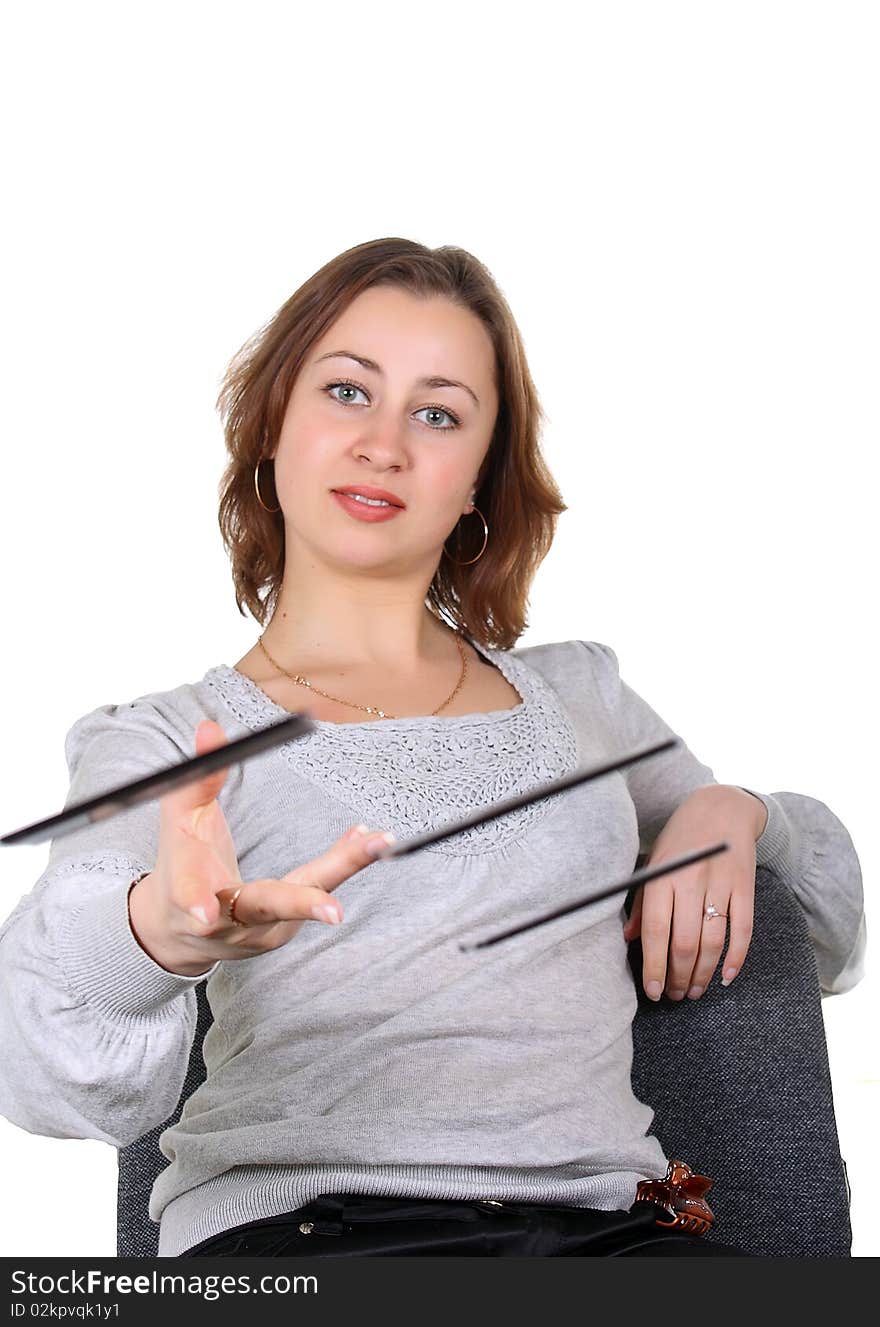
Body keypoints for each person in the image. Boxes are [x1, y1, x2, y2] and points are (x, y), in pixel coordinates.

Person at [0, 237, 866, 1259]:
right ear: (271, 427)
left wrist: (733, 809)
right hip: (307, 1237)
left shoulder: (582, 697)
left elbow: (825, 933)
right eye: (346, 392)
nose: (384, 444)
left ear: (476, 482)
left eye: (439, 412)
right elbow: (35, 1049)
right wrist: (159, 934)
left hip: (611, 1236)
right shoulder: (161, 741)